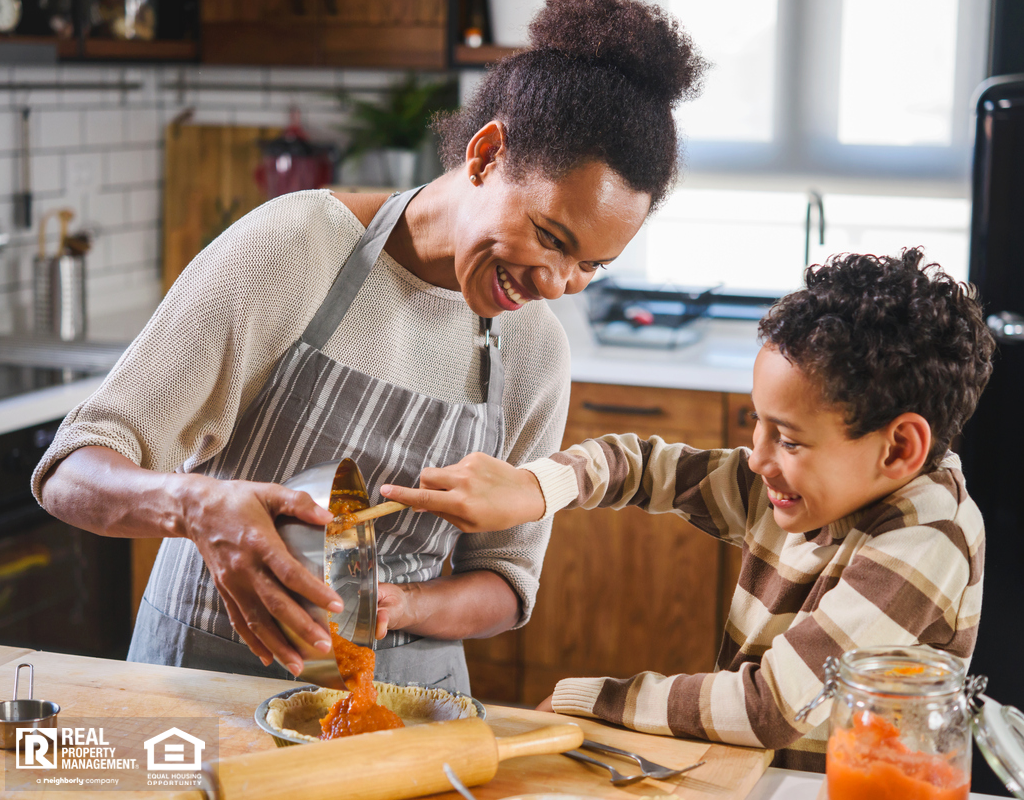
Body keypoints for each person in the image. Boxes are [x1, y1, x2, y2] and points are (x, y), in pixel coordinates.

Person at [31, 0, 706, 693]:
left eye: (591, 265)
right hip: (205, 685)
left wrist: (406, 606)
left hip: (408, 703)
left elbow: (505, 582)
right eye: (552, 238)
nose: (560, 283)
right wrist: (197, 507)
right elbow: (70, 471)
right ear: (485, 155)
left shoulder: (535, 352)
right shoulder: (296, 249)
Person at [379, 249, 995, 768]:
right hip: (760, 777)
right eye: (759, 424)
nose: (757, 458)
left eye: (790, 438)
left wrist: (591, 700)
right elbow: (641, 465)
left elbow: (770, 706)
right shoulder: (813, 484)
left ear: (900, 448)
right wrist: (535, 489)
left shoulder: (928, 534)